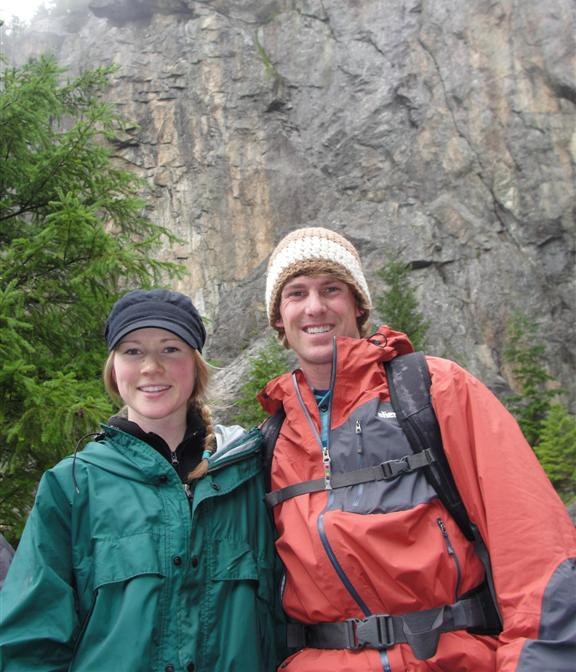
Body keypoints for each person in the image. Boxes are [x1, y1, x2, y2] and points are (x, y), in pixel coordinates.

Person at [257, 226, 576, 672]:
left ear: (358, 304)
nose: (315, 307)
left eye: (331, 288)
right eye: (296, 293)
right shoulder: (273, 436)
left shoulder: (433, 389)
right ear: (279, 317)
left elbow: (531, 540)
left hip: (450, 658)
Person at [0, 289, 284, 672]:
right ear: (114, 369)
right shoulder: (73, 484)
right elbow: (29, 641)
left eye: (170, 349)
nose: (151, 367)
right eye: (132, 351)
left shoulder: (249, 474)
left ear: (195, 365)